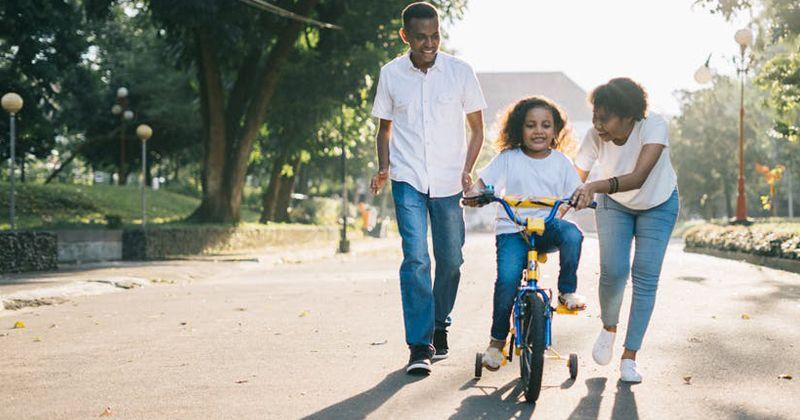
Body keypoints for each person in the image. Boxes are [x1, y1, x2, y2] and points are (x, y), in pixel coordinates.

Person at [369, 2, 487, 375]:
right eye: (421, 37)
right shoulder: (391, 74)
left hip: (450, 180)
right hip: (407, 179)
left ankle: (440, 324)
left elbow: (477, 128)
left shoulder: (460, 72)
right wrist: (384, 167)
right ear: (405, 36)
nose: (429, 43)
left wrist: (468, 170)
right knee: (417, 258)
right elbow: (384, 128)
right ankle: (419, 345)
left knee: (451, 260)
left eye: (435, 35)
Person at [464, 96, 586, 371]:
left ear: (556, 131)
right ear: (520, 129)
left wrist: (578, 199)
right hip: (513, 229)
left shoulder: (562, 162)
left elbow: (576, 191)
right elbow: (483, 182)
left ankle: (567, 291)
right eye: (531, 125)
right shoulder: (508, 158)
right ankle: (496, 343)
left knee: (573, 235)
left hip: (546, 227)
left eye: (546, 125)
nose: (538, 131)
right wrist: (475, 193)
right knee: (507, 280)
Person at [571, 77, 679, 383]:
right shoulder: (595, 136)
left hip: (658, 203)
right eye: (595, 117)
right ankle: (609, 327)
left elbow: (639, 177)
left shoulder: (653, 126)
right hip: (614, 205)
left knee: (645, 275)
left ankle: (630, 357)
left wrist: (593, 186)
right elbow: (574, 178)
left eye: (605, 118)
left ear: (629, 115)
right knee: (614, 271)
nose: (597, 125)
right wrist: (560, 204)